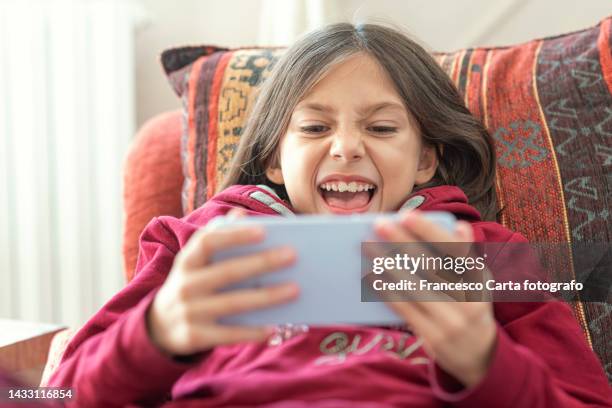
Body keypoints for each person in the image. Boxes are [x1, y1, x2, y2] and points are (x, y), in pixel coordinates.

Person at [48, 23, 611, 407]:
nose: (345, 148)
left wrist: (487, 364)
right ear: (273, 157)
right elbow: (52, 393)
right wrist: (157, 333)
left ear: (425, 159)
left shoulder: (485, 258)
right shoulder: (198, 245)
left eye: (382, 128)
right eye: (315, 127)